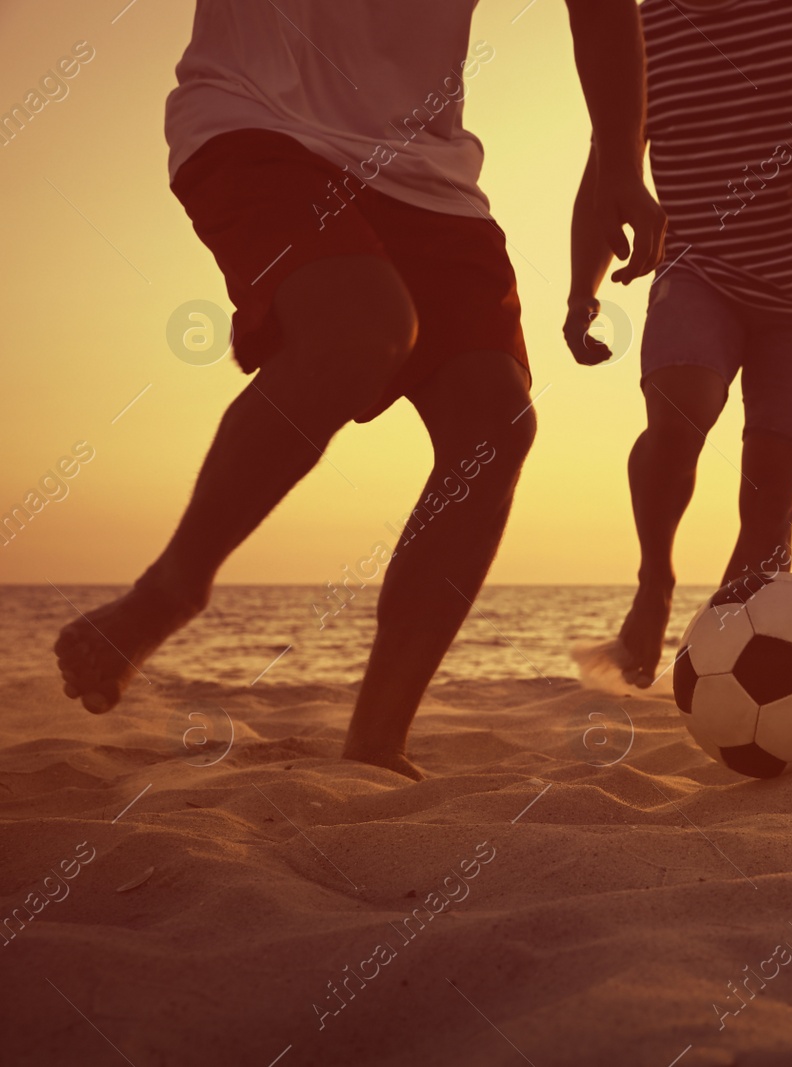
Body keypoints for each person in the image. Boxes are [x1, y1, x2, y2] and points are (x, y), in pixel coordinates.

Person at [53, 0, 665, 780]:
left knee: (495, 421)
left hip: (424, 166)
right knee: (359, 331)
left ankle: (377, 742)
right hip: (259, 117)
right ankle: (171, 588)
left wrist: (618, 161)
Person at [565, 0, 792, 689]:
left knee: (772, 488)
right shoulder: (644, 23)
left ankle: (716, 662)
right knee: (680, 409)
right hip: (698, 269)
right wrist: (580, 290)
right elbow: (608, 166)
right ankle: (655, 579)